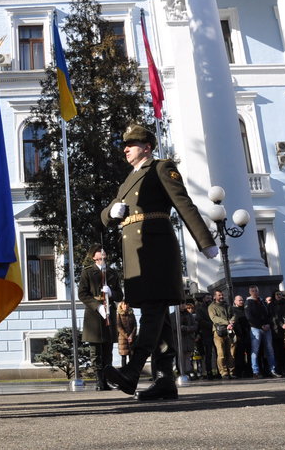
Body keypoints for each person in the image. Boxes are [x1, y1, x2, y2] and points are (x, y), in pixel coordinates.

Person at [100, 124, 217, 401]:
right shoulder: (130, 178)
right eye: (125, 145)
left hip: (156, 249)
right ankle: (166, 380)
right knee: (160, 319)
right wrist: (110, 213)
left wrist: (206, 241)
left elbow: (183, 203)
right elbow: (108, 212)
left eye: (132, 144)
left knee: (153, 310)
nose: (126, 149)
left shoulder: (161, 168)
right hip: (136, 254)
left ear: (147, 147)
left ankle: (133, 371)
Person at [78, 244, 123, 391]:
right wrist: (97, 306)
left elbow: (120, 294)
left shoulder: (112, 272)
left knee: (108, 350)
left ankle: (108, 379)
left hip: (109, 314)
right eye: (99, 252)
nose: (102, 253)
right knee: (96, 351)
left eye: (103, 251)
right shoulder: (88, 273)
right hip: (94, 316)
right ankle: (99, 380)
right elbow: (83, 294)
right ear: (94, 257)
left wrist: (111, 292)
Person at [244, 285, 281, 378]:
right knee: (255, 350)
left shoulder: (262, 301)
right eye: (252, 291)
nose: (255, 293)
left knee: (270, 349)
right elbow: (250, 317)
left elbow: (268, 314)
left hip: (267, 328)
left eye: (256, 291)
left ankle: (272, 370)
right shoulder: (248, 302)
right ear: (250, 292)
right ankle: (255, 371)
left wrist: (268, 324)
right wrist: (261, 325)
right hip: (256, 328)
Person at [208, 290, 236, 379]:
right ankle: (223, 373)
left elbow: (234, 314)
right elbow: (214, 318)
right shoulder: (212, 307)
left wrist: (232, 322)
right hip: (218, 332)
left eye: (222, 295)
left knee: (231, 353)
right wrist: (227, 322)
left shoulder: (227, 305)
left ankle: (231, 372)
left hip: (229, 331)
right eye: (219, 295)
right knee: (221, 353)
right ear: (214, 296)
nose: (221, 296)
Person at [268, 290, 285, 376]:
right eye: (277, 294)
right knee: (278, 352)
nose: (279, 296)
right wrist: (281, 324)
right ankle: (280, 369)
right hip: (276, 331)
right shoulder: (271, 305)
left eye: (280, 294)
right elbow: (273, 317)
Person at [196, 293, 217, 379]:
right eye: (207, 298)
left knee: (217, 352)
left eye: (210, 298)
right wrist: (212, 326)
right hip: (206, 333)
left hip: (216, 333)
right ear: (204, 299)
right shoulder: (200, 309)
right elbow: (200, 321)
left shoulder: (214, 307)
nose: (209, 299)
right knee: (208, 353)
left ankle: (218, 371)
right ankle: (209, 372)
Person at [231, 295, 252, 378]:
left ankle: (249, 371)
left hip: (247, 333)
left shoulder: (246, 309)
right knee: (239, 354)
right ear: (235, 301)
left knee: (249, 353)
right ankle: (240, 371)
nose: (241, 302)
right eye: (239, 300)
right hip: (239, 334)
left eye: (242, 300)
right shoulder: (233, 310)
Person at [178, 301, 199, 379]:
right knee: (181, 357)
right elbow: (175, 326)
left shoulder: (189, 315)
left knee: (188, 357)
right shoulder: (175, 315)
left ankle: (188, 372)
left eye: (184, 304)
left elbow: (195, 326)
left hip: (189, 339)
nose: (183, 305)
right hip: (180, 339)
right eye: (181, 304)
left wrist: (187, 328)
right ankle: (182, 373)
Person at [116, 301, 137, 368]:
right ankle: (124, 372)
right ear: (121, 306)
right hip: (123, 339)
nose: (126, 306)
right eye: (124, 304)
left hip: (132, 338)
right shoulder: (119, 315)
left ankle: (131, 371)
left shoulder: (131, 314)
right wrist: (127, 336)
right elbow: (119, 327)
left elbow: (135, 326)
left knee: (132, 356)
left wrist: (132, 335)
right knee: (124, 356)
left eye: (127, 304)